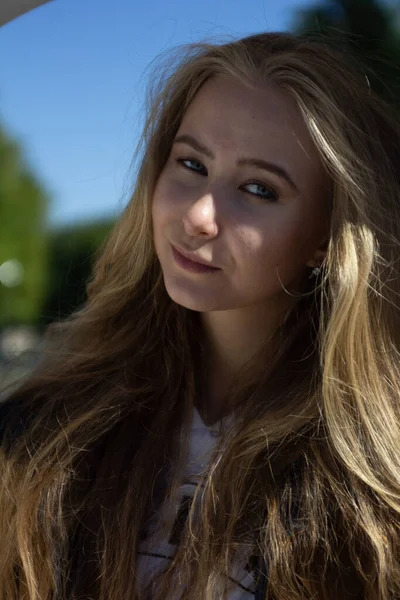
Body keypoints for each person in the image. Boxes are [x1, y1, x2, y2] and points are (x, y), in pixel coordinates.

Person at [0, 31, 400, 600]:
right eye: (191, 163)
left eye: (259, 189)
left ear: (327, 237)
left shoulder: (374, 482)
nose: (200, 214)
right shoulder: (42, 433)